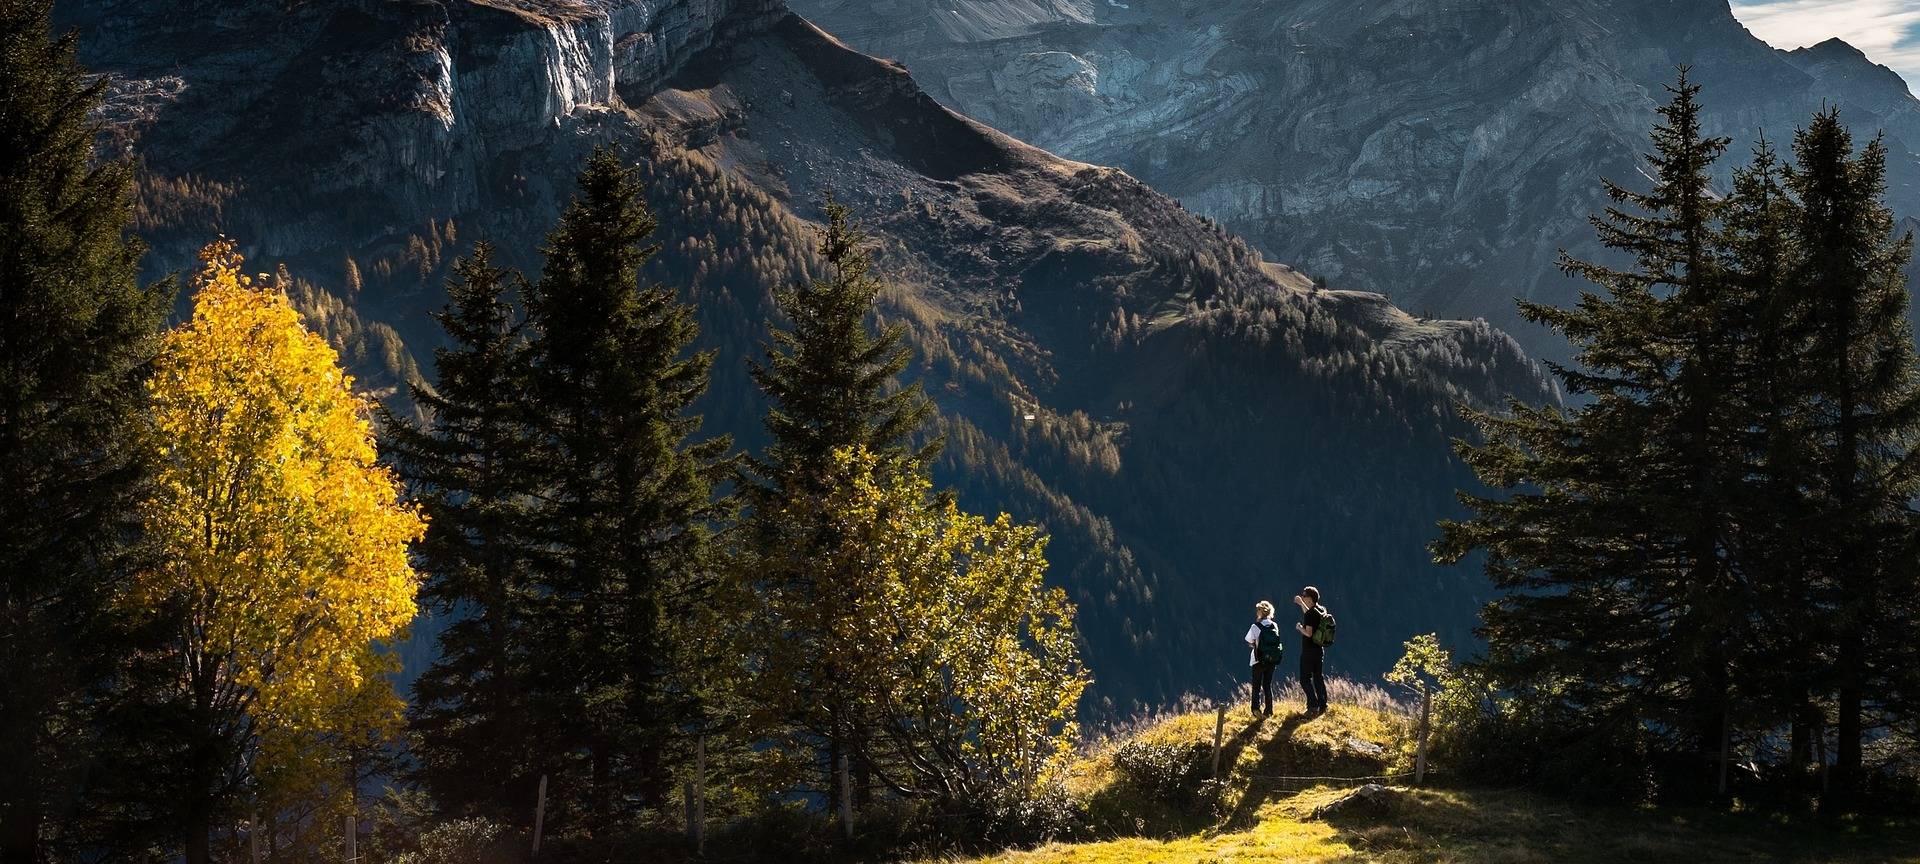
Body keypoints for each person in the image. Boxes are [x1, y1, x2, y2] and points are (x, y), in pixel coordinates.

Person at [1293, 587, 1329, 716]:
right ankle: (1323, 705)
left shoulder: (1310, 614)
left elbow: (1309, 633)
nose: (1302, 597)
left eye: (1304, 596)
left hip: (1308, 651)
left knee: (1305, 679)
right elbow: (1310, 615)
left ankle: (1312, 706)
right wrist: (1301, 604)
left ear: (1309, 598)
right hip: (1319, 650)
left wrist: (1299, 628)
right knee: (1318, 678)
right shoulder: (1321, 610)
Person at [1243, 600, 1282, 717]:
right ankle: (1269, 710)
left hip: (1258, 660)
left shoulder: (1255, 626)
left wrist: (1255, 643)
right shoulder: (1274, 625)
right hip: (1272, 660)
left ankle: (1256, 709)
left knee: (1256, 686)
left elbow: (1248, 640)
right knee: (1267, 685)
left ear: (1260, 612)